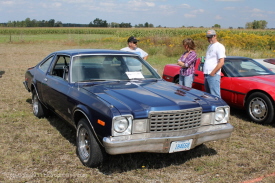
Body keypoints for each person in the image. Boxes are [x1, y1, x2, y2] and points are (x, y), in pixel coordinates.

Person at [203, 29, 226, 98]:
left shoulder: (219, 46)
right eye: (208, 37)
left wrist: (213, 73)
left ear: (215, 36)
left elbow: (221, 62)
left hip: (213, 75)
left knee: (215, 96)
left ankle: (218, 108)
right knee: (208, 96)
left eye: (210, 37)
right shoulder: (209, 46)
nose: (209, 39)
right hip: (207, 74)